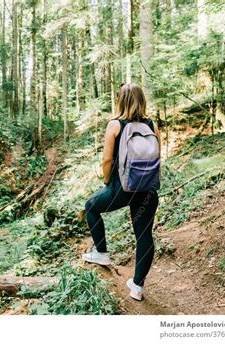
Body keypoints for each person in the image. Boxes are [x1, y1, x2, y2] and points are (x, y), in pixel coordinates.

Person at [82, 83, 161, 301]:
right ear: (142, 99)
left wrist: (108, 181)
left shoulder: (115, 125)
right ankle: (137, 287)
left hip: (122, 189)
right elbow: (157, 156)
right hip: (147, 191)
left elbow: (107, 159)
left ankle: (101, 253)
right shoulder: (151, 125)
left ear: (120, 100)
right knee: (144, 236)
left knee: (91, 206)